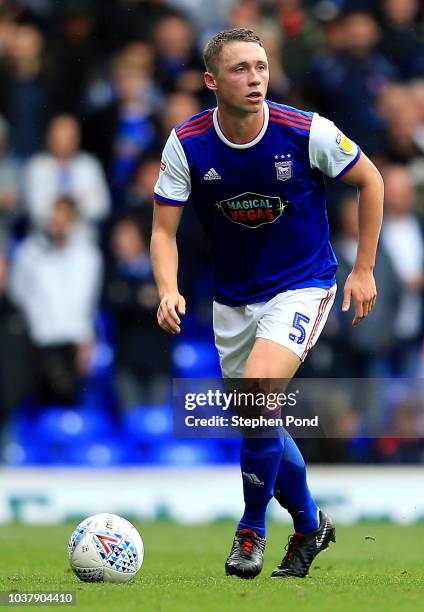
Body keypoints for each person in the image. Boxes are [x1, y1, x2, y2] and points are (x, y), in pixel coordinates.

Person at [151, 28, 383, 580]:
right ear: (212, 81)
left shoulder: (305, 130)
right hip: (233, 299)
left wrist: (365, 268)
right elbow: (163, 230)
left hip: (303, 282)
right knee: (260, 422)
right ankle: (309, 526)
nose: (255, 78)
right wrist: (167, 287)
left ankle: (252, 528)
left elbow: (371, 181)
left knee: (257, 397)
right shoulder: (186, 144)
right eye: (239, 69)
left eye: (260, 66)